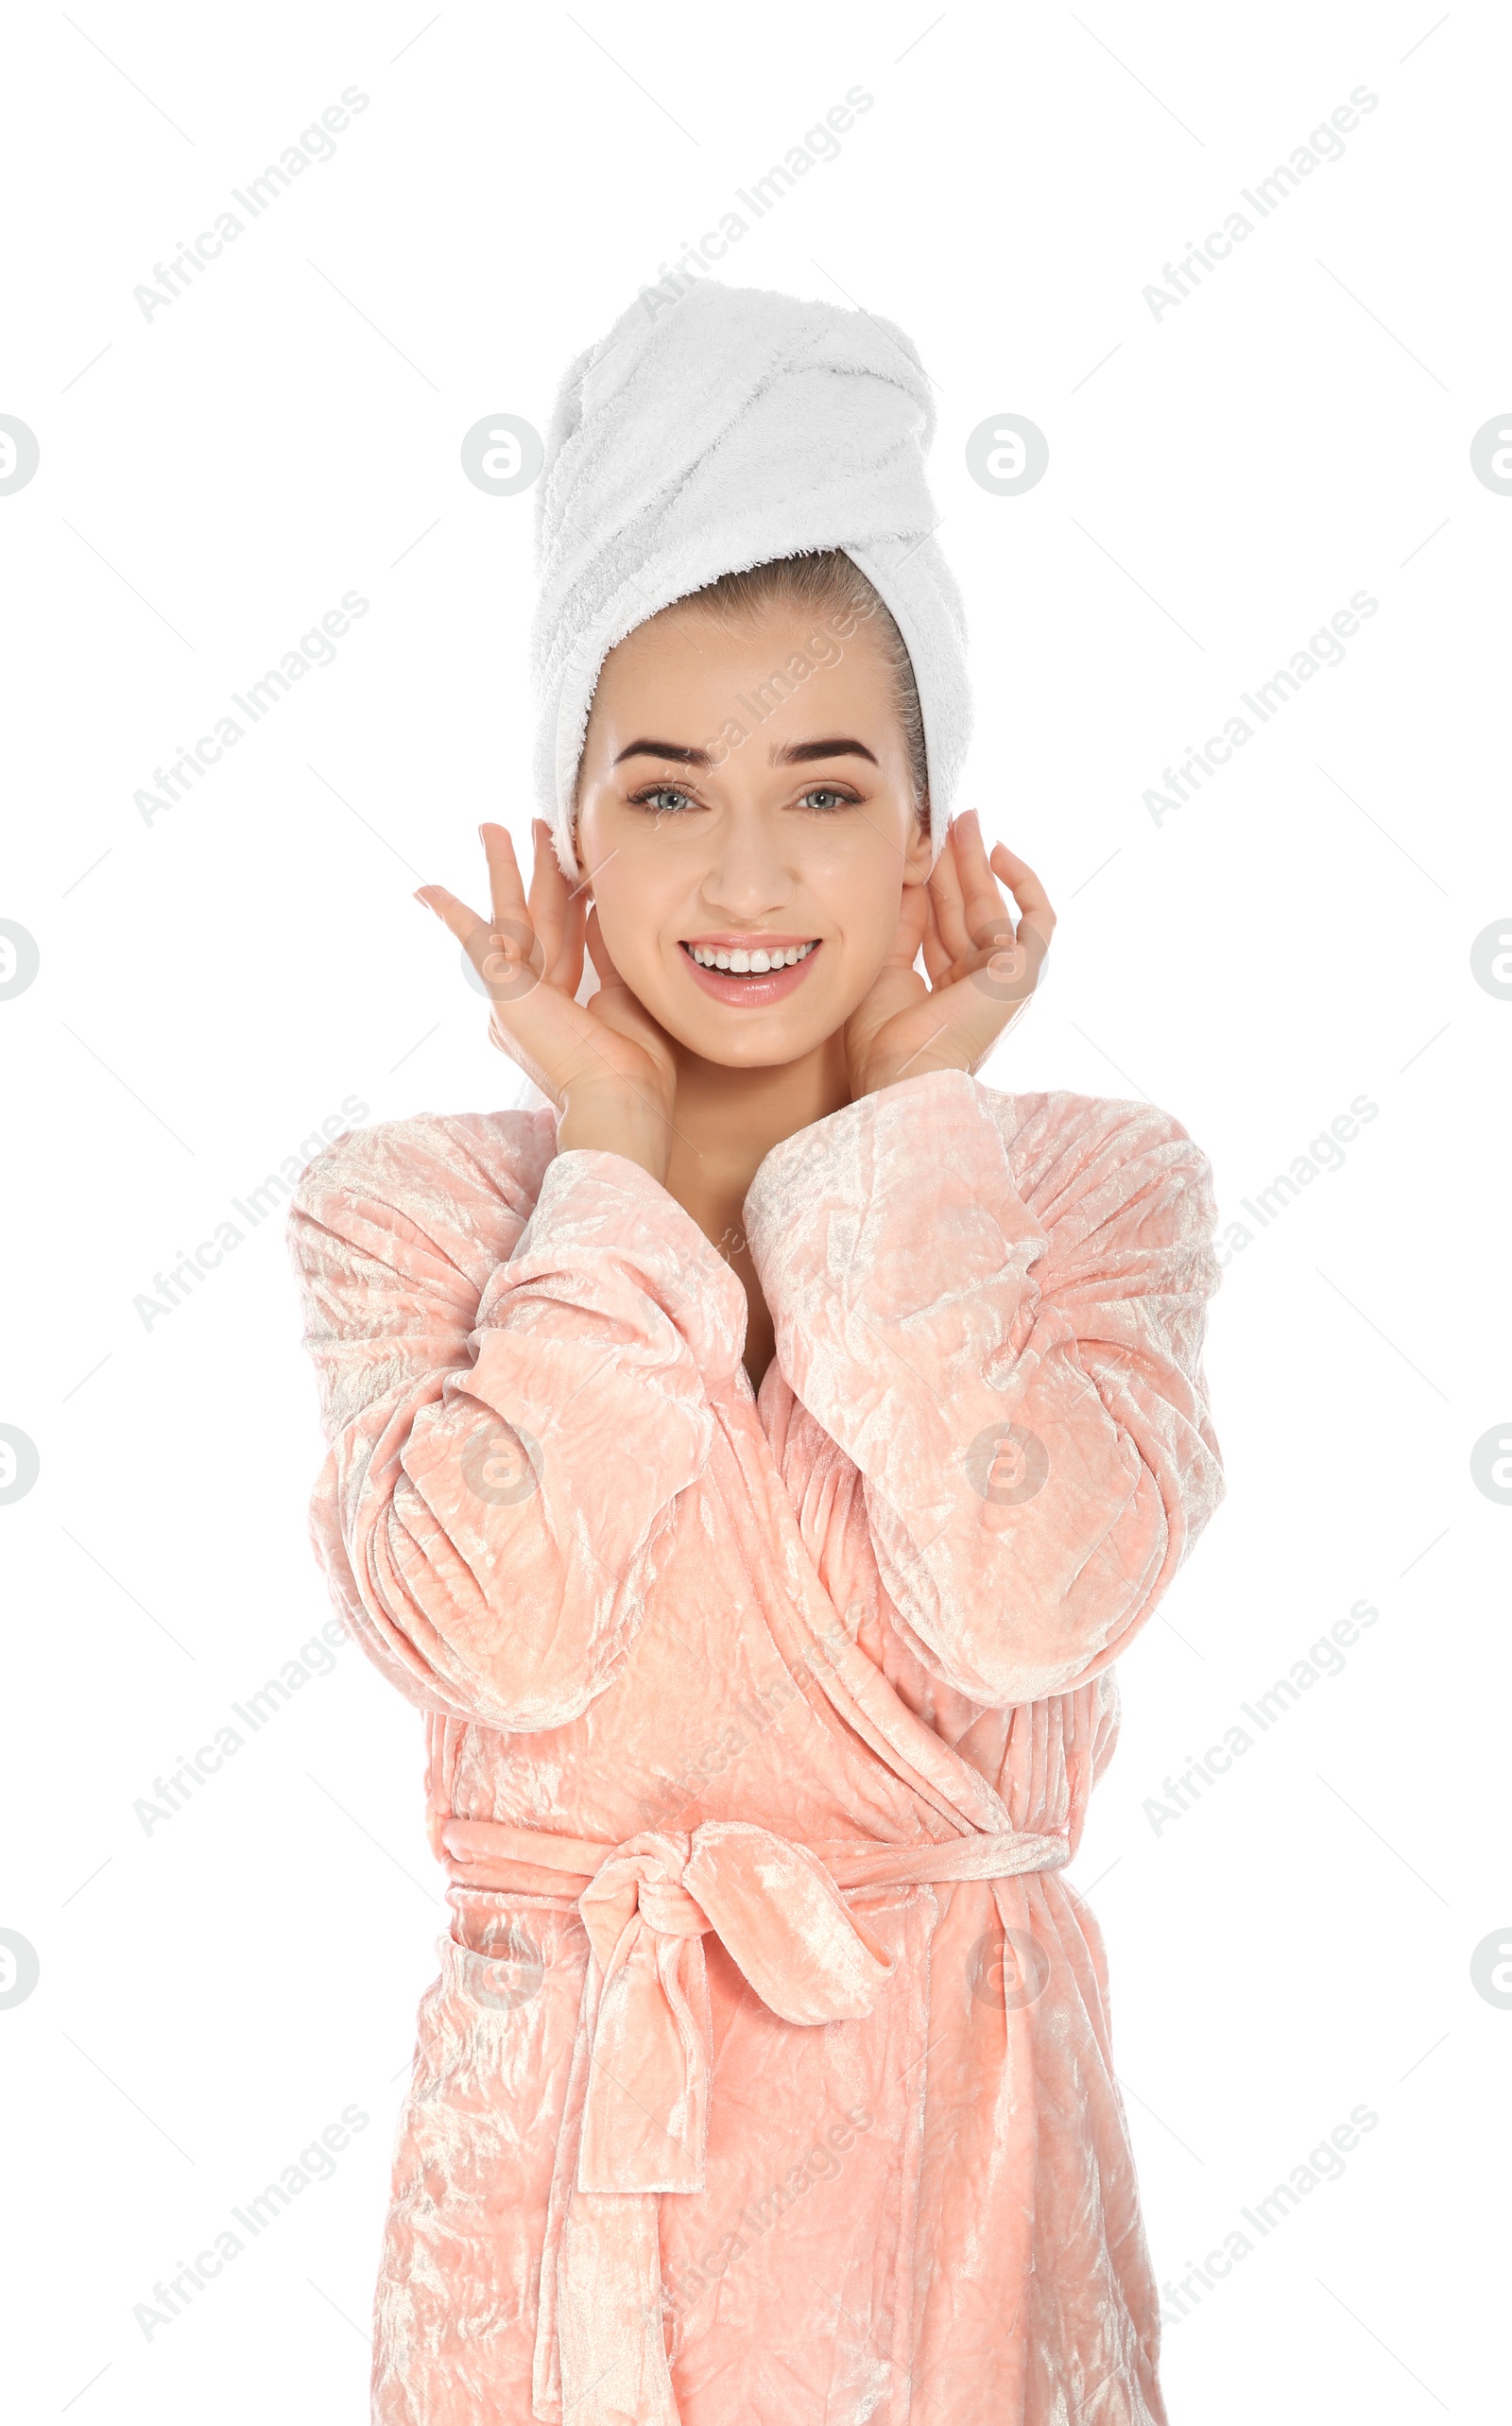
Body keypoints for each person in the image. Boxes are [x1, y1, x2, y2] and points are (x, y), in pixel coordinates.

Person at [287, 283, 1225, 2426]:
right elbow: (498, 1648)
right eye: (660, 792)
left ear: (928, 833)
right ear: (569, 831)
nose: (742, 875)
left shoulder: (1084, 1197)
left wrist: (902, 1153)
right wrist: (607, 1175)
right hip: (558, 2214)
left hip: (956, 2187)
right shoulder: (421, 1216)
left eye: (820, 792)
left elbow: (1027, 1603)